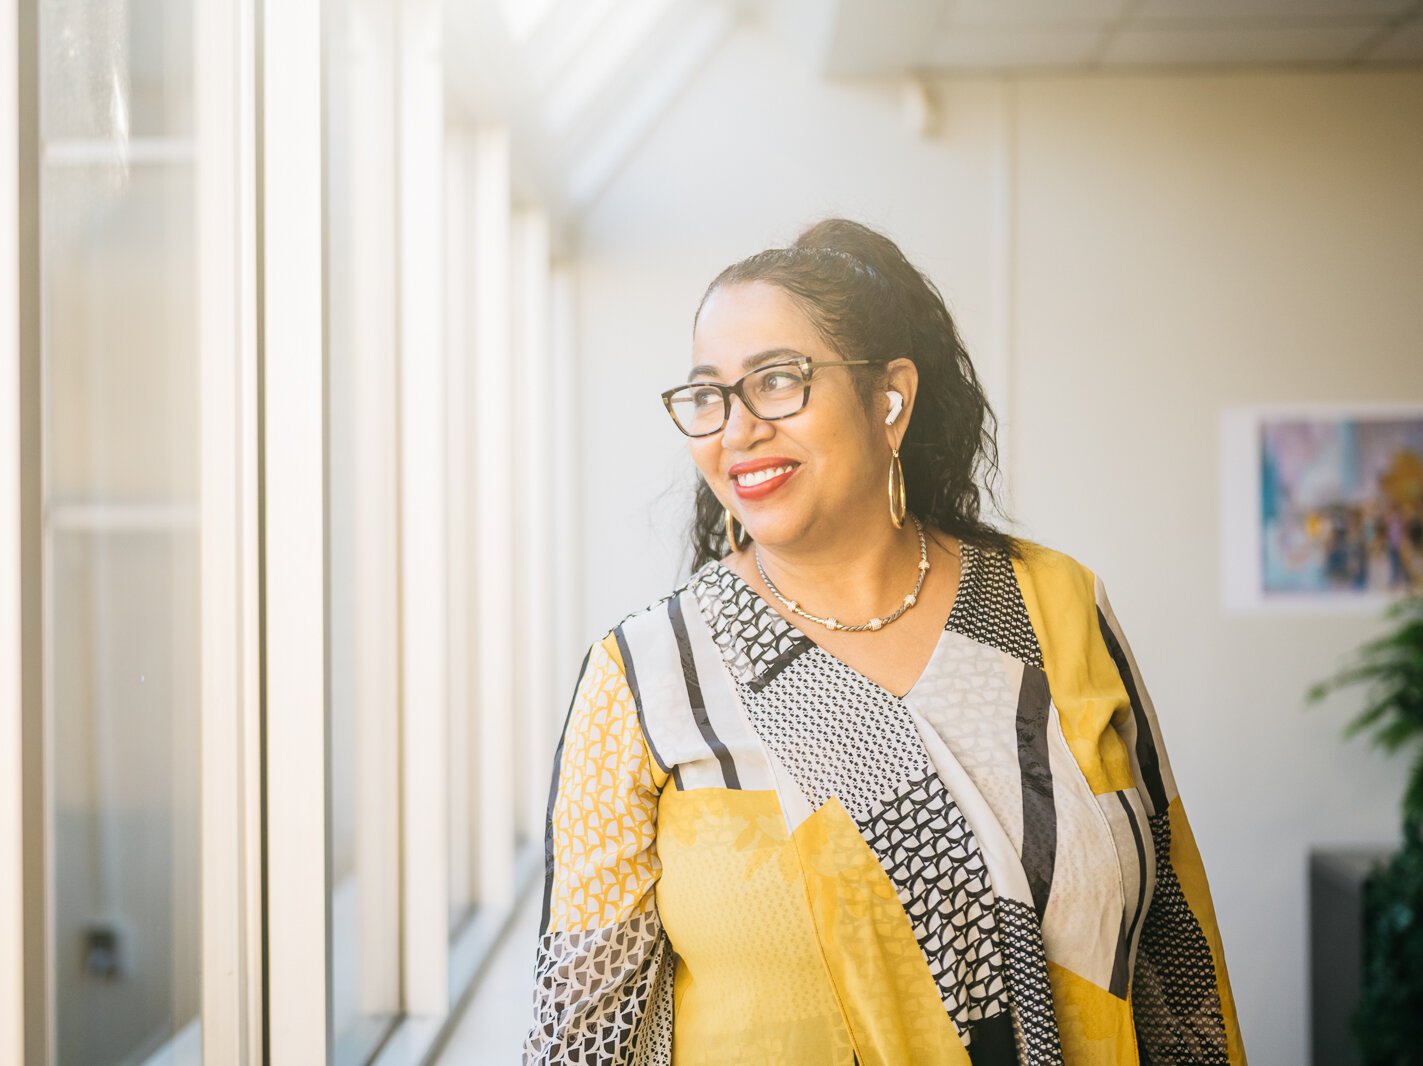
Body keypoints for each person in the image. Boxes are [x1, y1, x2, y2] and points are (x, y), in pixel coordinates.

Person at [523, 218, 1246, 1065]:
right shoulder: (646, 675)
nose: (737, 428)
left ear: (889, 399)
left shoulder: (1059, 607)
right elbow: (582, 1032)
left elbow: (1174, 954)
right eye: (709, 396)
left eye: (778, 381)